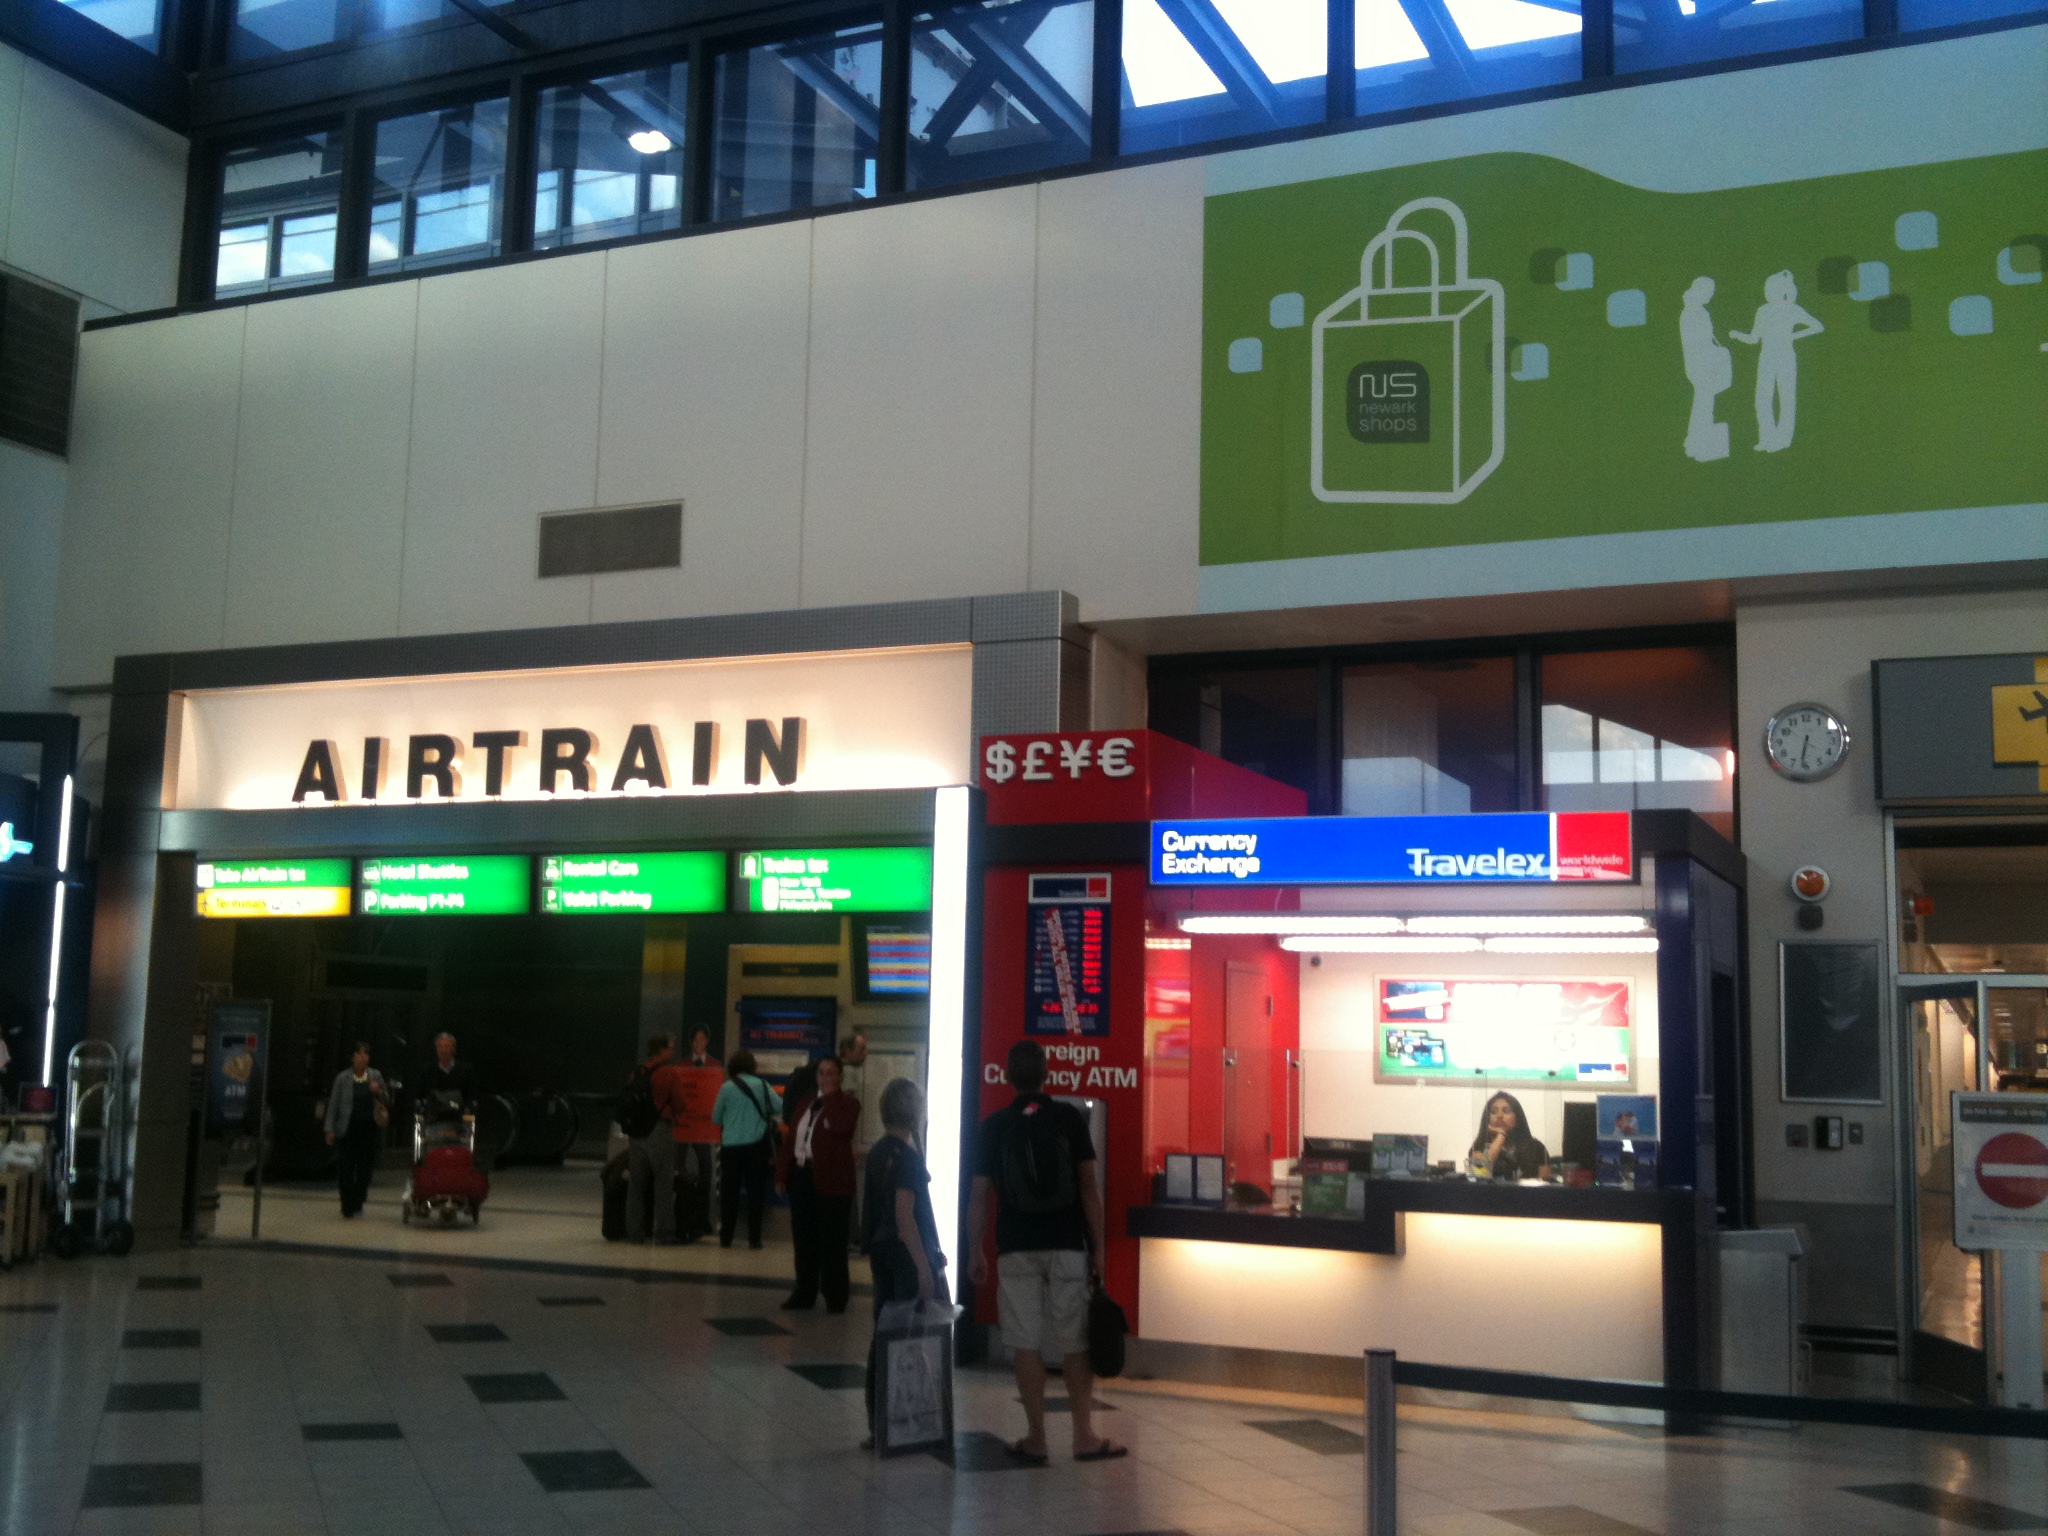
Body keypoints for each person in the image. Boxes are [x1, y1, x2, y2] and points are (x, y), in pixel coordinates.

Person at [967, 1039, 1124, 1465]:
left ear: (1006, 1075)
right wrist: (1099, 1248)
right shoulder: (1069, 1118)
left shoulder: (994, 1125)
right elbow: (1089, 1188)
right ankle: (1084, 1437)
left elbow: (979, 1195)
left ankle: (1036, 1439)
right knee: (1075, 1343)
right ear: (1047, 1074)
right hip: (1067, 1243)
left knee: (1025, 1344)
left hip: (1015, 1246)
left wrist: (974, 1250)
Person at [863, 1076, 947, 1446]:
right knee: (909, 1340)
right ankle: (905, 1422)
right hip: (906, 1258)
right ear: (915, 1112)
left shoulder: (879, 1151)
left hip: (882, 1255)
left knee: (884, 1336)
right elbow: (905, 1216)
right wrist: (923, 1267)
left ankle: (877, 1424)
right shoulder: (909, 1158)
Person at [777, 1055, 862, 1312]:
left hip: (833, 1181)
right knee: (803, 1238)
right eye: (821, 1073)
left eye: (831, 1073)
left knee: (832, 1242)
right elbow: (792, 1141)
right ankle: (805, 1291)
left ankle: (836, 1296)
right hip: (803, 1177)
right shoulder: (805, 1103)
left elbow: (839, 1126)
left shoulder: (848, 1103)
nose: (825, 1078)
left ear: (839, 1076)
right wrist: (782, 1175)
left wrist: (829, 1098)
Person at [1729, 270, 1823, 453]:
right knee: (1764, 399)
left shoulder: (1791, 309)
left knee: (1785, 399)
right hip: (1768, 358)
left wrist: (1794, 335)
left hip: (1784, 358)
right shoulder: (1764, 310)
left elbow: (1818, 326)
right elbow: (1754, 339)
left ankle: (1782, 440)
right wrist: (1738, 335)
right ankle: (1767, 439)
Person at [712, 1050, 779, 1249]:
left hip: (731, 1147)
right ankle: (755, 1239)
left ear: (732, 1067)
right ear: (752, 1066)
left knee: (729, 1192)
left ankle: (726, 1238)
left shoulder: (726, 1088)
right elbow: (779, 1106)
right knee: (755, 1192)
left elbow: (716, 1118)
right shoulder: (763, 1086)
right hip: (756, 1146)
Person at [622, 1034, 684, 1244]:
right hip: (659, 1130)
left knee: (636, 1183)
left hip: (636, 1134)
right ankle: (664, 1232)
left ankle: (634, 1231)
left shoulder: (637, 1072)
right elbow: (680, 1104)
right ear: (662, 1050)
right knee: (663, 1183)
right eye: (671, 1048)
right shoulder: (668, 1072)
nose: (673, 1052)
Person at [324, 1042, 389, 1218]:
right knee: (345, 1167)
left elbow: (386, 1098)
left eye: (366, 1054)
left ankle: (358, 1198)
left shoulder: (375, 1075)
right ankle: (347, 1202)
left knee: (364, 1168)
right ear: (353, 1057)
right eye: (359, 1054)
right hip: (347, 1128)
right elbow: (334, 1104)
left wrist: (378, 1091)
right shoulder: (343, 1078)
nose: (363, 1057)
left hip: (368, 1129)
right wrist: (330, 1128)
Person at [1678, 276, 1732, 463]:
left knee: (1703, 403)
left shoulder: (1698, 311)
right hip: (1699, 364)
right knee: (1704, 404)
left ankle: (1694, 442)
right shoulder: (1692, 313)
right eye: (1709, 292)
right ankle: (1697, 443)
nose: (1710, 295)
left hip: (1703, 363)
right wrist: (1718, 352)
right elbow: (1698, 343)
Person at [676, 1027, 719, 1242]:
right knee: (678, 1169)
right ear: (691, 1042)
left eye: (702, 1038)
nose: (698, 1042)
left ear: (707, 1041)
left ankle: (702, 1219)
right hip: (684, 1125)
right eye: (695, 1039)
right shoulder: (682, 1066)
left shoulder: (714, 1066)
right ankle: (680, 1216)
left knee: (706, 1172)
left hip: (702, 1127)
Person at [1471, 1091, 1550, 1181]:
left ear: (1517, 1118)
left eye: (1506, 1111)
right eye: (1493, 1112)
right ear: (1487, 1118)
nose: (1499, 1116)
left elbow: (1545, 1186)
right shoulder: (1479, 1146)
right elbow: (1480, 1175)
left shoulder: (1537, 1148)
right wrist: (1500, 1136)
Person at [422, 1032, 478, 1118]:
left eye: (446, 1046)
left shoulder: (466, 1069)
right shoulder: (428, 1070)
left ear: (454, 1049)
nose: (443, 1050)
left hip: (459, 1119)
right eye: (440, 1046)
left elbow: (472, 1095)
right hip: (434, 1120)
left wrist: (468, 1109)